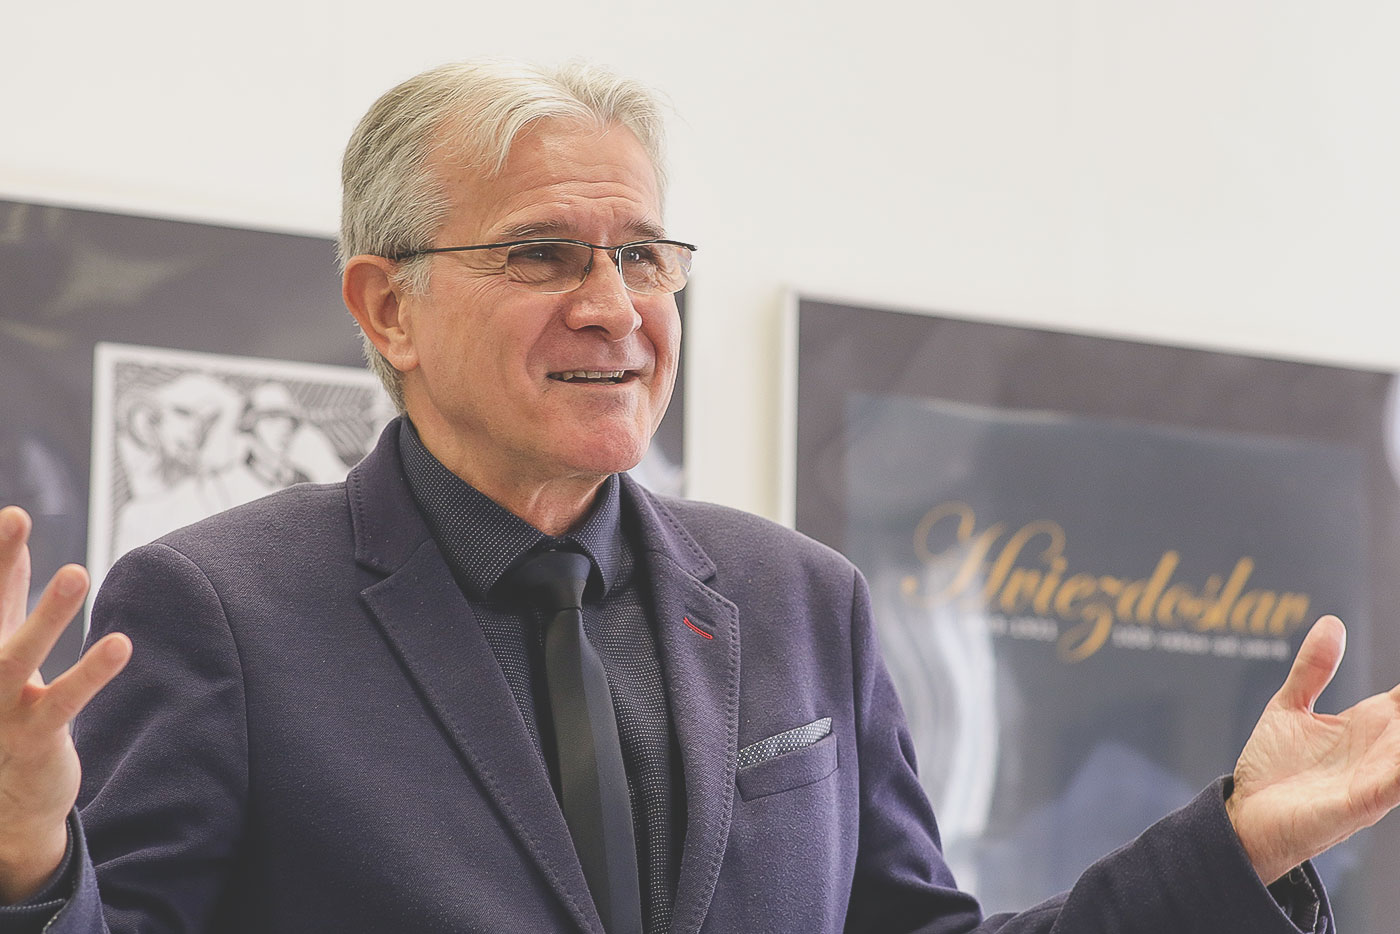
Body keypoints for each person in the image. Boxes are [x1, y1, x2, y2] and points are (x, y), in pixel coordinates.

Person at [0, 59, 1397, 934]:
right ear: (389, 307)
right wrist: (25, 861)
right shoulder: (217, 610)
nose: (616, 305)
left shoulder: (800, 601)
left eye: (644, 254)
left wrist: (1231, 852)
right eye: (543, 253)